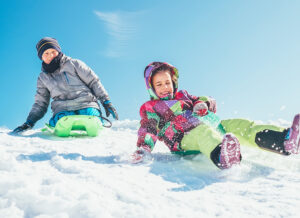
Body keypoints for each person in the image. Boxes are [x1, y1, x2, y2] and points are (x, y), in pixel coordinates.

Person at [132, 61, 300, 169]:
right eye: (159, 84)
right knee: (203, 134)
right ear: (151, 88)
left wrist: (202, 103)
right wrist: (144, 148)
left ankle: (284, 141)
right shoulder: (151, 107)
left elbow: (208, 101)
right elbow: (148, 128)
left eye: (167, 82)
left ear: (173, 82)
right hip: (183, 139)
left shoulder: (184, 95)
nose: (164, 87)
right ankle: (223, 156)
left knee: (240, 125)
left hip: (209, 123)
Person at [13, 37, 118, 133]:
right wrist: (29, 122)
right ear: (41, 57)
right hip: (63, 109)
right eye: (46, 53)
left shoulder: (74, 64)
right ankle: (61, 124)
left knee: (89, 114)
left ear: (58, 51)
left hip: (86, 103)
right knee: (63, 119)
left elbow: (93, 82)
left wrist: (106, 101)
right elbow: (41, 103)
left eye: (53, 51)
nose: (50, 55)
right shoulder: (43, 78)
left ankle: (94, 121)